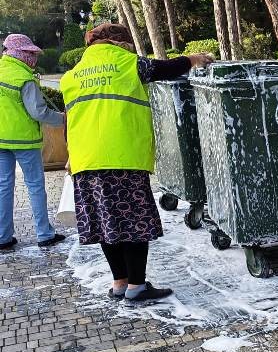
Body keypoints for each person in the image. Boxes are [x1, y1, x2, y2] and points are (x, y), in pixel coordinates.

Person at [59, 23, 214, 304]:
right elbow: (165, 69)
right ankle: (137, 286)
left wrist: (71, 154)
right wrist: (193, 59)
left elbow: (69, 118)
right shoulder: (127, 63)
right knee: (132, 223)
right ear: (120, 42)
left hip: (85, 161)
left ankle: (120, 283)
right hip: (122, 157)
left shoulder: (72, 75)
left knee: (107, 223)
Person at [0, 34, 67, 250]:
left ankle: (2, 237)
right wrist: (63, 119)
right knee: (35, 186)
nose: (34, 58)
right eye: (30, 53)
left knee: (3, 187)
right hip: (24, 141)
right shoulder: (23, 78)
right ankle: (44, 234)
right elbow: (38, 112)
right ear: (20, 53)